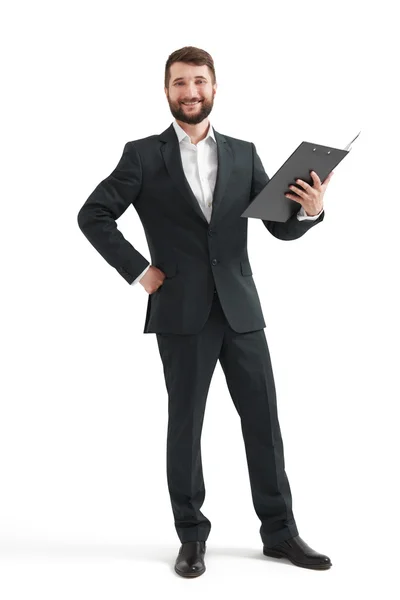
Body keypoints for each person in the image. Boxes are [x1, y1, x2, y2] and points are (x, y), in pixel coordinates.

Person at [77, 46, 333, 577]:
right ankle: (191, 537)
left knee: (264, 424)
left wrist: (312, 212)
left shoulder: (243, 153)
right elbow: (94, 214)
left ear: (214, 87)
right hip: (180, 311)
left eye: (199, 81)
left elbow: (277, 223)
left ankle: (281, 533)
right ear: (166, 91)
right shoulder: (143, 155)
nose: (190, 92)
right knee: (186, 427)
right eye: (179, 83)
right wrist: (139, 271)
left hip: (241, 310)